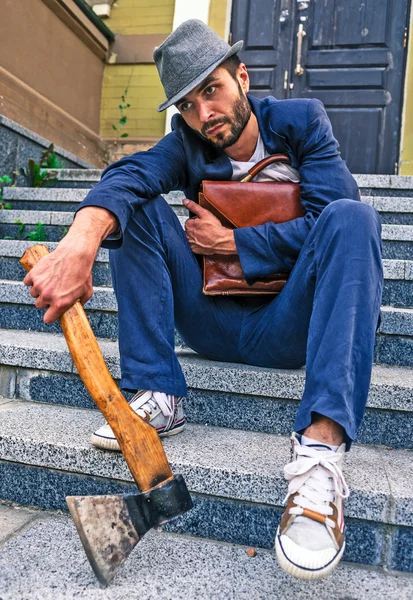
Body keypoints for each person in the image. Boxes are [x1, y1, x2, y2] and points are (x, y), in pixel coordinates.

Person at [23, 20, 383, 581]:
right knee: (136, 205)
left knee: (354, 218)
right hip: (210, 320)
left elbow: (331, 218)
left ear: (242, 77)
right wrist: (80, 241)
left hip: (288, 325)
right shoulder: (187, 143)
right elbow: (131, 174)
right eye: (187, 106)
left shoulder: (303, 122)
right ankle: (159, 391)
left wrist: (234, 243)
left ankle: (319, 456)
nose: (204, 114)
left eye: (211, 90)